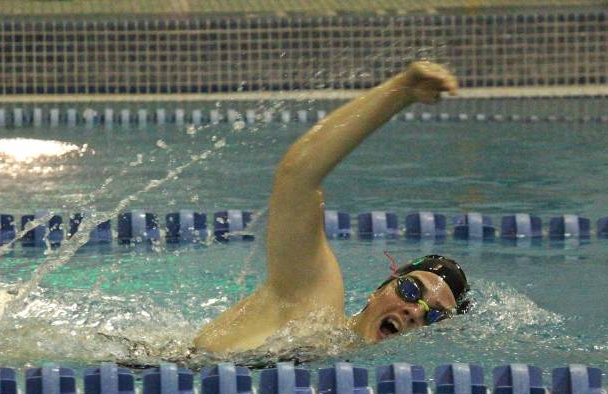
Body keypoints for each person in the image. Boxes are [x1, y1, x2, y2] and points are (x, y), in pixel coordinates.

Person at [193, 61, 470, 355]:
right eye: (410, 291)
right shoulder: (313, 310)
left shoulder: (348, 364)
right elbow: (297, 176)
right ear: (377, 292)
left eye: (434, 316)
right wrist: (400, 92)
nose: (414, 312)